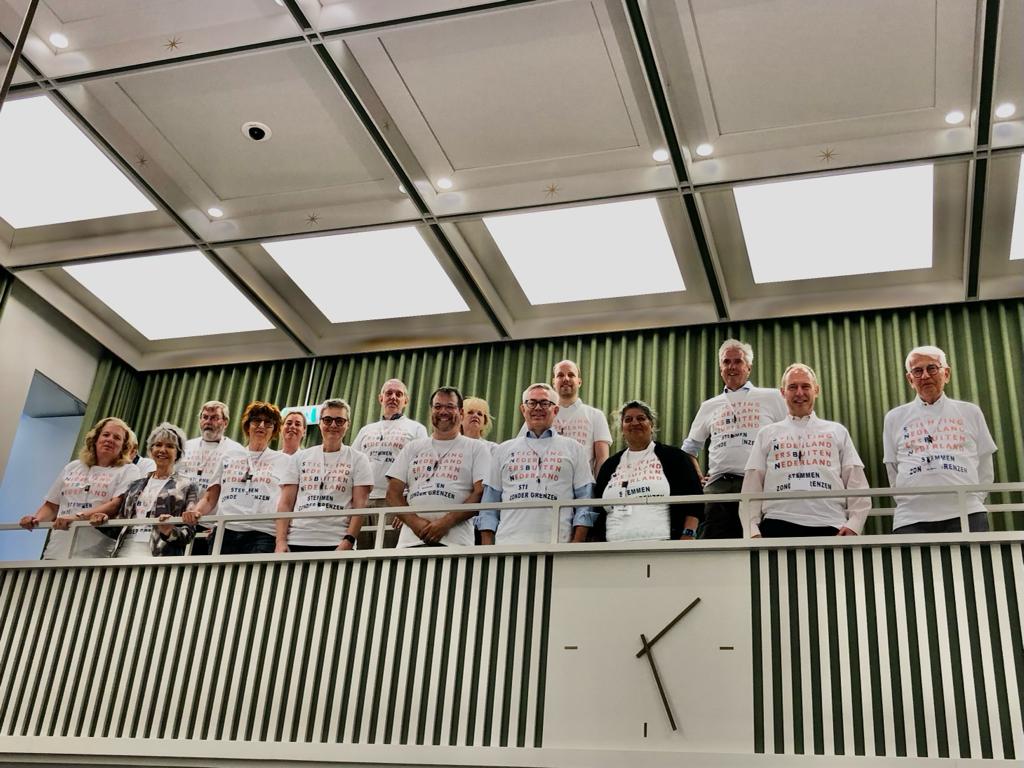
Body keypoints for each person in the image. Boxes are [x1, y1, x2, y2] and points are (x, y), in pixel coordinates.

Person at [741, 364, 870, 538]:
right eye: (792, 387)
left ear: (816, 390)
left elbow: (856, 481)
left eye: (805, 386)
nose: (799, 393)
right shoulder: (767, 434)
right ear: (782, 392)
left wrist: (854, 524)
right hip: (778, 524)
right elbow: (751, 487)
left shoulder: (837, 432)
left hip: (831, 525)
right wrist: (752, 530)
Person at [883, 345, 997, 533]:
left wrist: (973, 498)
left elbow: (985, 462)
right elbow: (892, 467)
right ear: (910, 379)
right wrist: (909, 499)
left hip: (967, 513)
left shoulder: (970, 412)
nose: (925, 376)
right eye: (917, 371)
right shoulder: (894, 418)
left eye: (932, 368)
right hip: (911, 518)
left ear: (947, 373)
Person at [683, 339, 787, 538]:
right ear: (720, 368)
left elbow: (791, 433)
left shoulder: (772, 397)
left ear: (748, 367)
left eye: (737, 361)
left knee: (759, 542)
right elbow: (689, 448)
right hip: (718, 486)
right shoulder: (709, 406)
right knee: (712, 543)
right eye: (726, 362)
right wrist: (698, 478)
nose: (731, 367)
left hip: (759, 483)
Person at [478, 383, 594, 544]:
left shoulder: (575, 449)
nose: (537, 408)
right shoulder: (503, 450)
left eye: (545, 403)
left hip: (558, 545)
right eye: (531, 403)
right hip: (507, 545)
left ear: (556, 410)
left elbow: (585, 502)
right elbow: (488, 505)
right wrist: (488, 548)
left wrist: (576, 545)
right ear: (523, 409)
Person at [19, 417, 141, 559]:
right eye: (106, 435)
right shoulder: (73, 467)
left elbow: (115, 504)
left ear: (123, 447)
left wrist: (76, 517)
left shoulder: (128, 470)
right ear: (95, 439)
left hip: (94, 554)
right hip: (56, 550)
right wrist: (35, 519)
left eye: (117, 438)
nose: (110, 440)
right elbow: (52, 506)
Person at [386, 387, 491, 547]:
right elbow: (393, 493)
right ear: (431, 411)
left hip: (456, 543)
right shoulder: (412, 447)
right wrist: (414, 522)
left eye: (450, 406)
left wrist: (447, 522)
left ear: (461, 413)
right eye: (438, 406)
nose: (443, 411)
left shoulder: (476, 448)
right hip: (410, 542)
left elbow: (481, 492)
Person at [185, 401, 289, 554]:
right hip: (225, 530)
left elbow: (286, 504)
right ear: (248, 425)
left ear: (274, 430)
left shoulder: (284, 460)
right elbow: (210, 497)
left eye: (268, 423)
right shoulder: (229, 456)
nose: (261, 426)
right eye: (256, 421)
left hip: (262, 533)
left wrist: (281, 539)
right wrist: (196, 511)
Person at [593, 401, 703, 542]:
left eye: (641, 418)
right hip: (613, 549)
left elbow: (695, 500)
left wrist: (688, 534)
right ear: (622, 429)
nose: (634, 423)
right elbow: (597, 508)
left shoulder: (675, 458)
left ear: (651, 425)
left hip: (664, 546)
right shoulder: (610, 465)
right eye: (628, 420)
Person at [276, 399, 373, 552]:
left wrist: (348, 541)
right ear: (320, 423)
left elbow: (360, 505)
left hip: (336, 540)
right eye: (327, 420)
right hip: (297, 539)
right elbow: (285, 503)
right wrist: (280, 541)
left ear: (348, 424)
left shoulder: (358, 459)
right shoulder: (299, 458)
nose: (333, 425)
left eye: (339, 421)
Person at [90, 422, 198, 557]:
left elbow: (189, 533)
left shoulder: (187, 486)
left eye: (170, 446)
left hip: (159, 559)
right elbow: (119, 527)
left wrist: (170, 531)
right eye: (158, 445)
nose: (162, 450)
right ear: (151, 450)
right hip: (123, 555)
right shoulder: (134, 486)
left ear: (178, 453)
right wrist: (103, 521)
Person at [351, 378, 428, 546]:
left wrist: (407, 506)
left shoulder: (416, 429)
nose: (393, 397)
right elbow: (352, 467)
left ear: (405, 401)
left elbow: (423, 471)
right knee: (362, 557)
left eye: (398, 394)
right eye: (389, 393)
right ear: (381, 398)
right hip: (365, 502)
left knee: (388, 557)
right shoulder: (365, 430)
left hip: (396, 501)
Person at [518, 360, 611, 474]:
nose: (566, 379)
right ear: (553, 382)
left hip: (580, 486)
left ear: (579, 382)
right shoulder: (540, 414)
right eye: (560, 375)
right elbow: (521, 449)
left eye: (571, 375)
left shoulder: (596, 416)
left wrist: (597, 489)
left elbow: (602, 459)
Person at [179, 400, 243, 554]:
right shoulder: (185, 446)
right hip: (182, 519)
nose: (208, 422)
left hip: (212, 524)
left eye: (214, 418)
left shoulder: (236, 450)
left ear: (225, 422)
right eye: (205, 417)